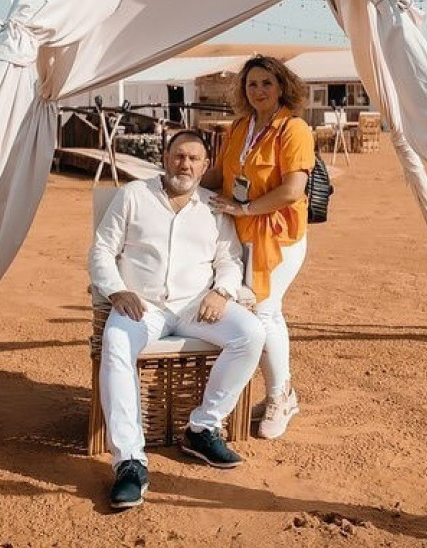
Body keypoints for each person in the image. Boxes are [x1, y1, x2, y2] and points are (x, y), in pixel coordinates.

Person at [89, 131, 265, 510]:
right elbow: (102, 249)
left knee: (251, 333)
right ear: (165, 158)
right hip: (142, 306)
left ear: (205, 166)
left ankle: (203, 427)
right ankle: (129, 462)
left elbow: (230, 259)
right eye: (179, 156)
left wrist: (222, 292)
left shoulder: (213, 207)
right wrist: (116, 291)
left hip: (196, 306)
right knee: (116, 342)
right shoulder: (133, 196)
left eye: (194, 159)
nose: (185, 165)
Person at [202, 55, 315, 440]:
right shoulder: (239, 127)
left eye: (267, 83)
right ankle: (280, 393)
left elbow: (293, 189)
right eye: (252, 84)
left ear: (281, 86)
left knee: (264, 312)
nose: (259, 90)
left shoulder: (293, 129)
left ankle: (281, 397)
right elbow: (221, 174)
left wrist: (246, 207)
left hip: (279, 237)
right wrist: (180, 185)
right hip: (241, 232)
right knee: (261, 312)